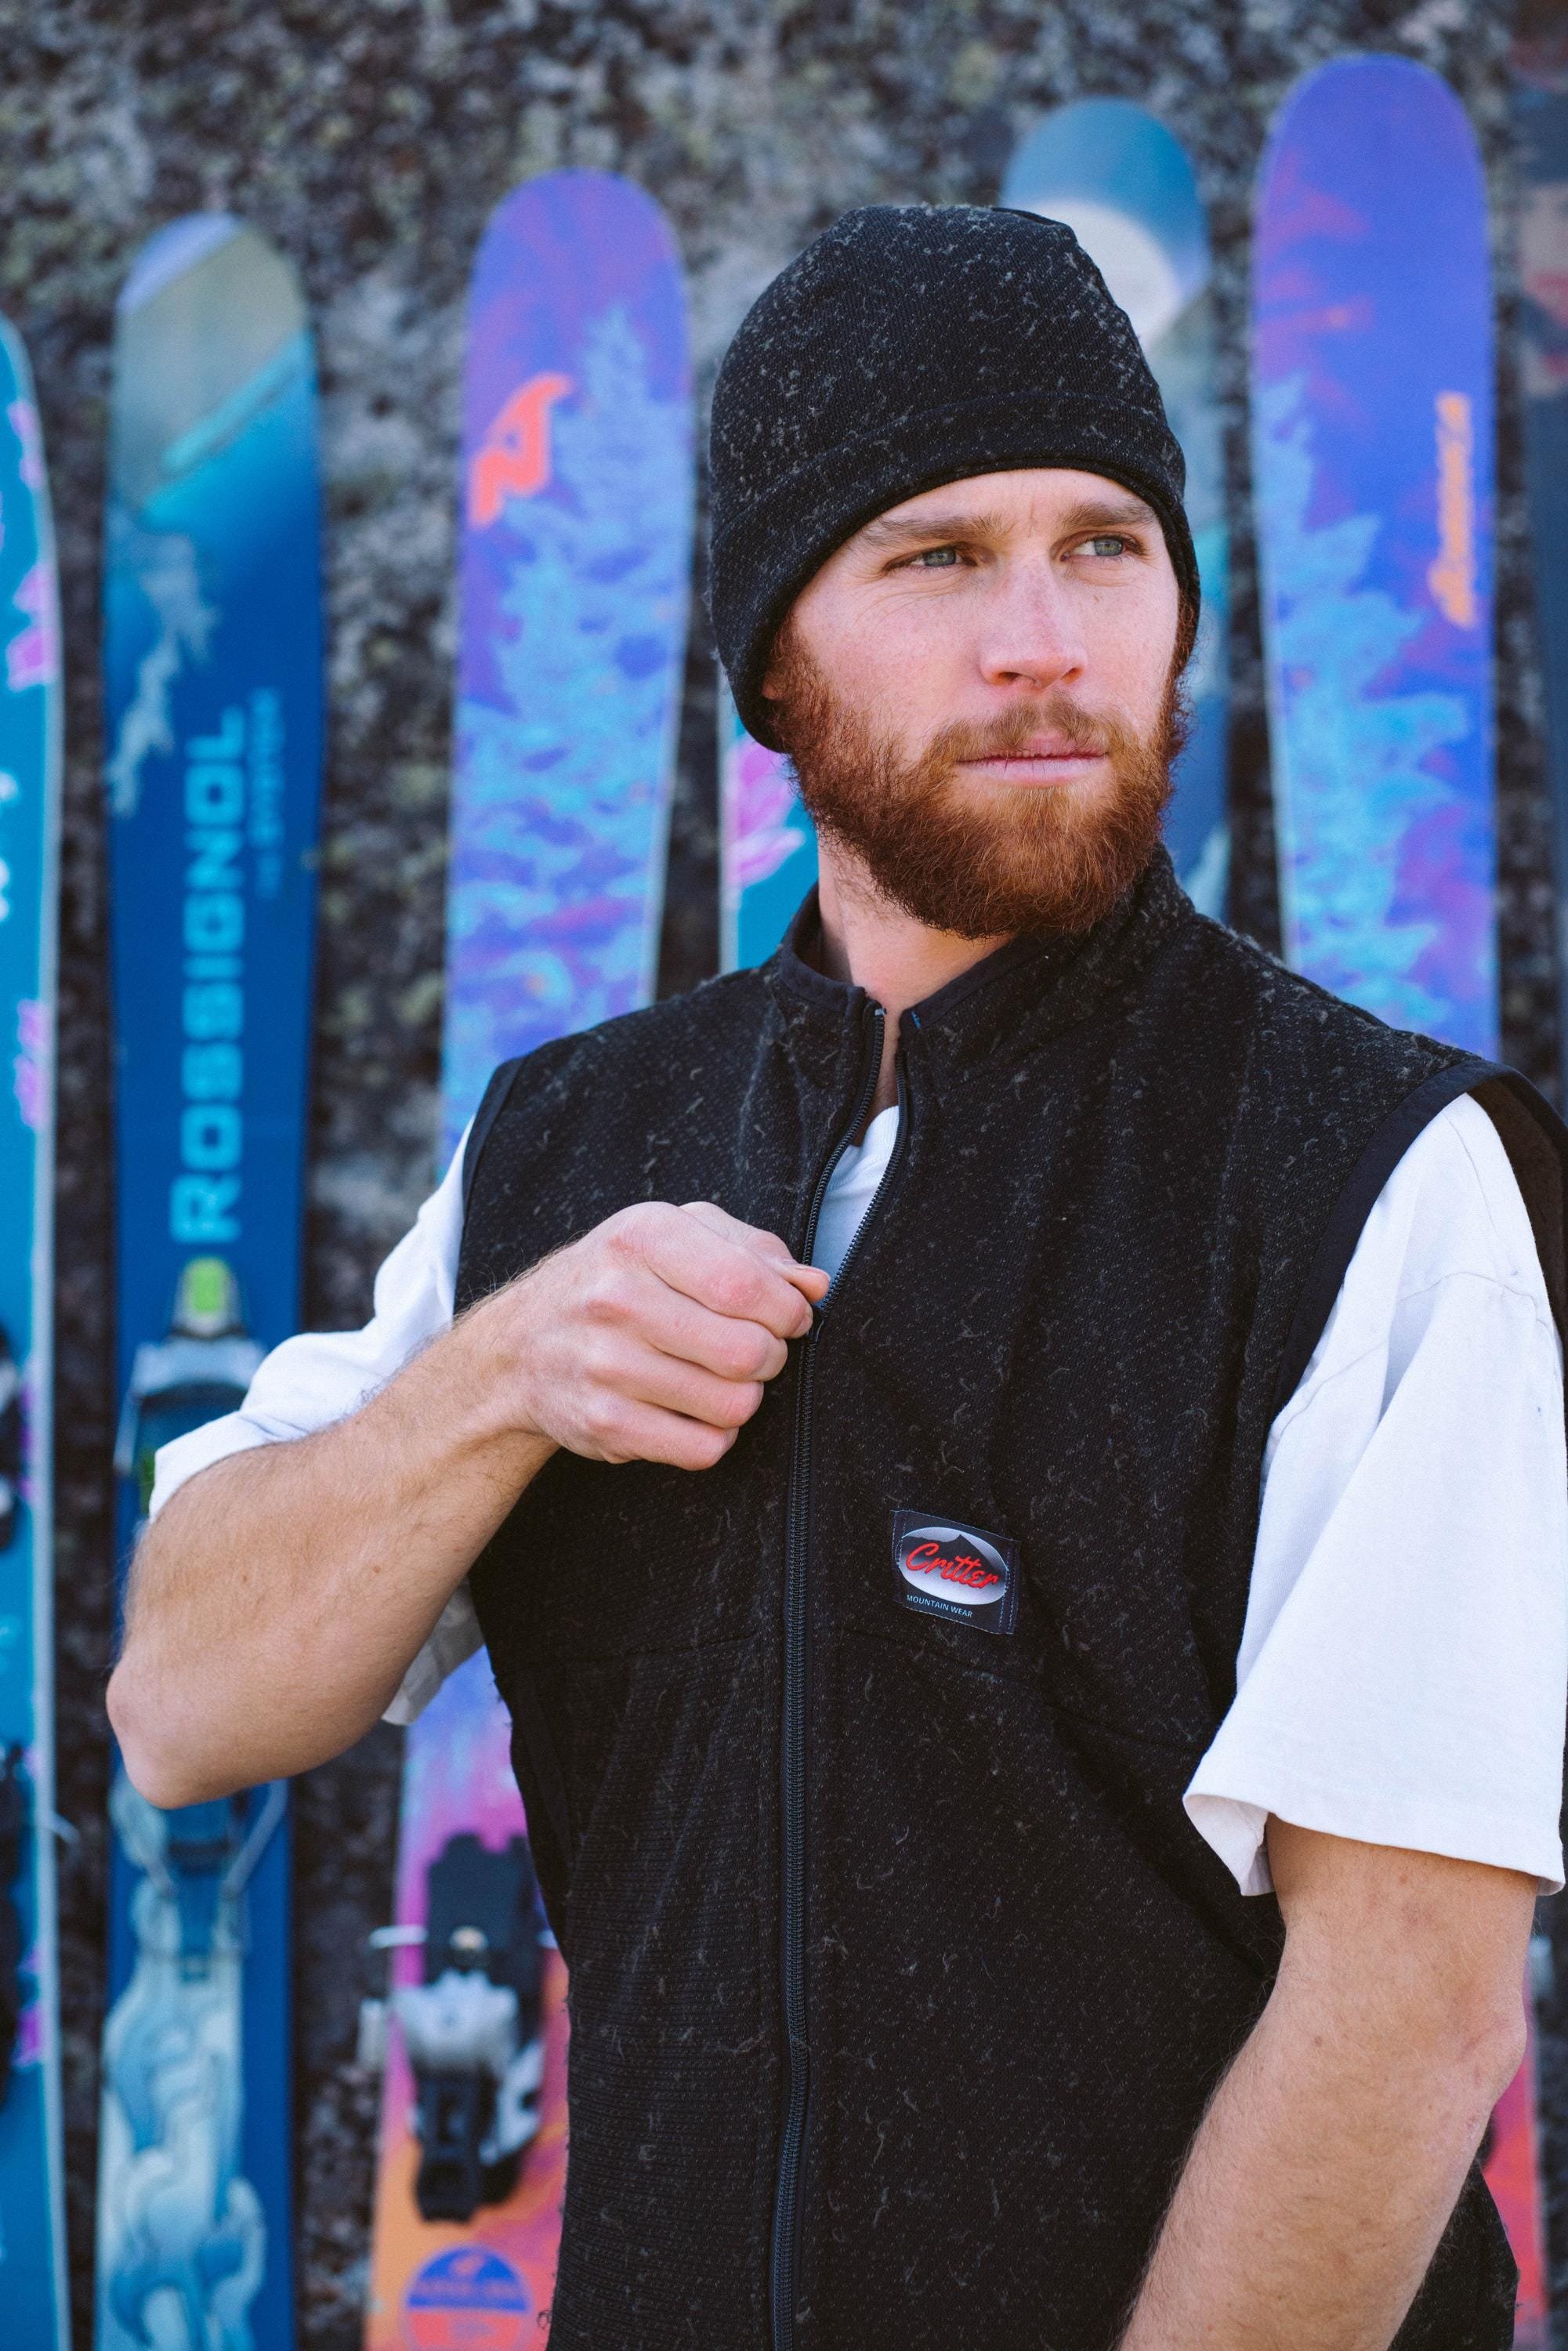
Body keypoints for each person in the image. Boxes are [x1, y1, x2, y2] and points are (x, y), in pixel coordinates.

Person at [110, 205, 1568, 2351]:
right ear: (772, 665)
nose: (1044, 638)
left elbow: (1412, 2017)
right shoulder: (567, 1150)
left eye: (1104, 547)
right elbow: (182, 1707)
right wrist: (504, 1374)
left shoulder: (1375, 1170)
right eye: (938, 559)